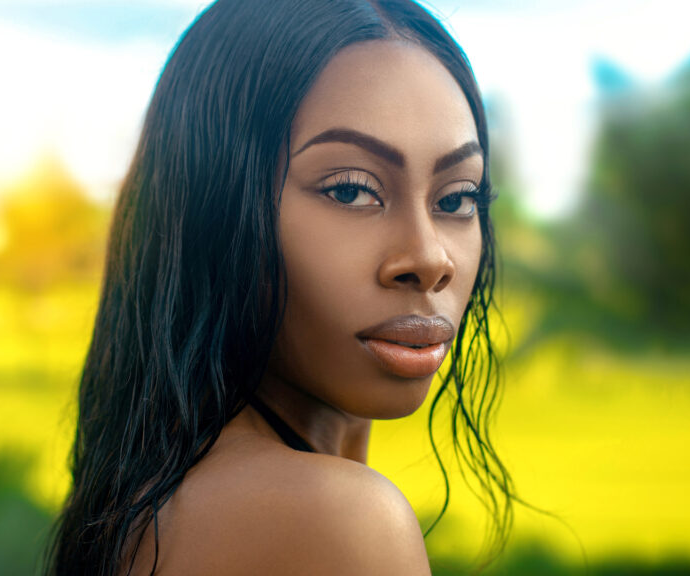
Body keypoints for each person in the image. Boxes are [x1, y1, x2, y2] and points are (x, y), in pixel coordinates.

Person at [48, 0, 514, 574]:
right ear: (212, 208)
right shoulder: (335, 521)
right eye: (350, 190)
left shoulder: (155, 497)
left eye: (456, 199)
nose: (428, 258)